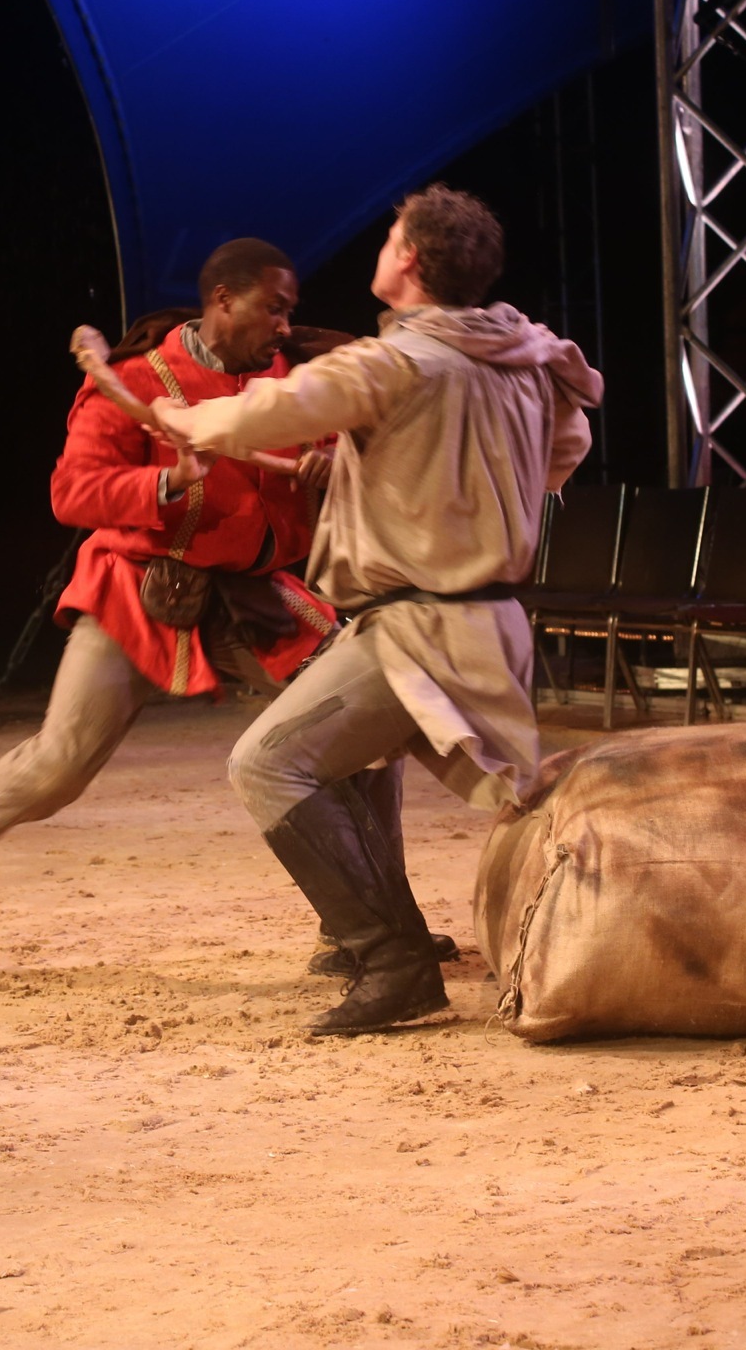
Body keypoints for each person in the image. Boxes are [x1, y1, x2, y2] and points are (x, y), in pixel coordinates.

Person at [152, 185, 603, 1035]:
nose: (384, 243)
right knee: (342, 762)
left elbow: (275, 409)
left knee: (268, 764)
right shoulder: (522, 357)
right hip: (482, 620)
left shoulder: (398, 363)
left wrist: (184, 417)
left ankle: (392, 959)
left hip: (422, 627)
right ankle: (388, 948)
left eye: (393, 234)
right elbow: (565, 450)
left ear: (410, 259)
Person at [0, 239, 340, 970]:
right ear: (223, 300)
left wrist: (331, 465)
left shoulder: (294, 386)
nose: (285, 326)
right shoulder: (137, 381)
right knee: (60, 766)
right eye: (274, 307)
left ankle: (364, 923)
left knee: (353, 729)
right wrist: (169, 482)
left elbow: (337, 461)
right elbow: (72, 493)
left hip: (250, 594)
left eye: (289, 310)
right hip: (137, 589)